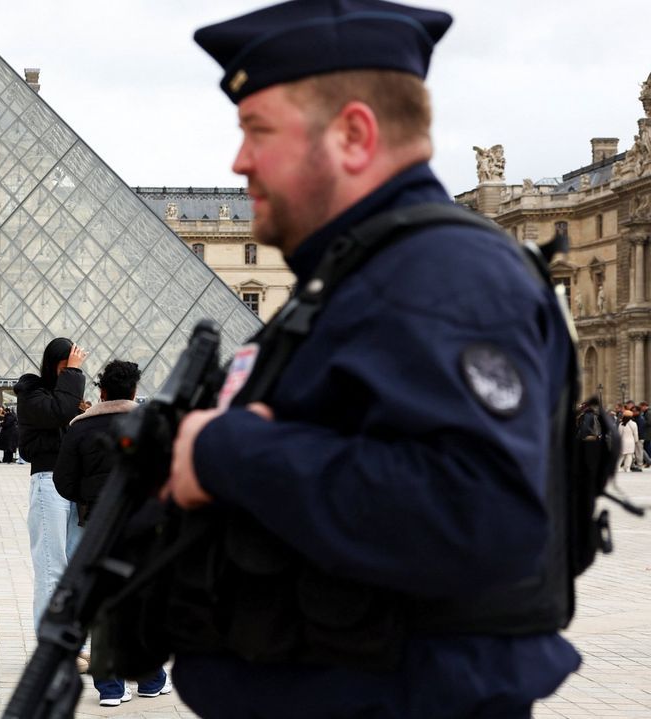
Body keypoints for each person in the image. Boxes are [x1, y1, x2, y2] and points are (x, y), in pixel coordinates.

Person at [159, 2, 579, 716]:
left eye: (257, 129)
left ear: (354, 134)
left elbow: (477, 512)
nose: (239, 160)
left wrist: (232, 449)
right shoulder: (360, 276)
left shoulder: (444, 276)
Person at [52, 360, 166, 705]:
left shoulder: (79, 429)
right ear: (134, 391)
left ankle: (111, 688)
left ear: (100, 392)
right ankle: (149, 679)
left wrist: (88, 498)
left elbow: (63, 482)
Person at [15, 338, 86, 630]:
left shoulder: (63, 394)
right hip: (48, 482)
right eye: (67, 365)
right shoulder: (32, 394)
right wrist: (74, 374)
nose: (72, 369)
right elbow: (60, 411)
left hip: (74, 485)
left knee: (73, 568)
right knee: (51, 566)